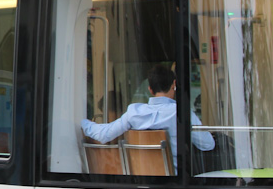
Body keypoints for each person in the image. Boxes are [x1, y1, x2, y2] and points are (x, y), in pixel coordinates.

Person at [79, 64, 214, 166]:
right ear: (174, 85)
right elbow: (207, 144)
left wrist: (81, 122)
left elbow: (104, 135)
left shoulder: (134, 112)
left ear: (150, 89)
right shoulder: (181, 112)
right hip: (174, 182)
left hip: (141, 182)